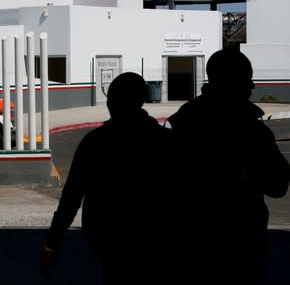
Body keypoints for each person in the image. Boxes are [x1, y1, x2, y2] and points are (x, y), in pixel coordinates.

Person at [168, 49, 290, 284]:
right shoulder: (250, 131)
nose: (252, 85)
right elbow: (278, 184)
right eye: (246, 78)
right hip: (241, 242)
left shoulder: (182, 124)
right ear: (233, 81)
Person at [42, 72, 177, 284]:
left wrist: (53, 240)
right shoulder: (166, 141)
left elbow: (72, 197)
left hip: (107, 238)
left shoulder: (94, 142)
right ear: (141, 100)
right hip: (155, 237)